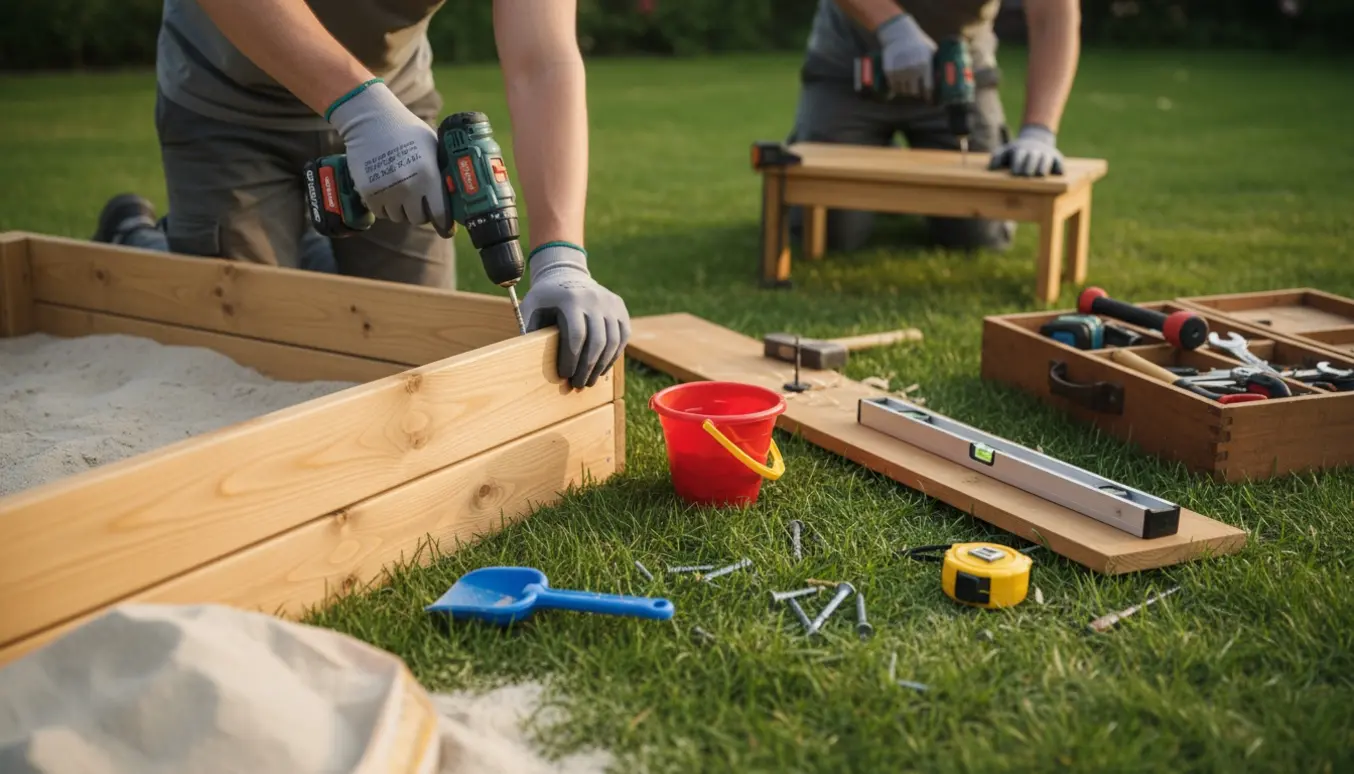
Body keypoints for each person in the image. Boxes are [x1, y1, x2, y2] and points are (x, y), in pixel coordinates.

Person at [90, 0, 628, 390]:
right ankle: (137, 239)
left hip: (396, 104)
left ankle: (301, 246)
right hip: (231, 101)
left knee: (413, 351)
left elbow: (543, 63)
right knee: (252, 351)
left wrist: (562, 257)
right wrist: (357, 106)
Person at [786, 0, 1081, 253]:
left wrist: (1038, 131)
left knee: (979, 237)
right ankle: (878, 161)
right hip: (853, 65)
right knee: (827, 234)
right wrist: (893, 27)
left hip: (957, 68)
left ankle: (893, 173)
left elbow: (1052, 16)